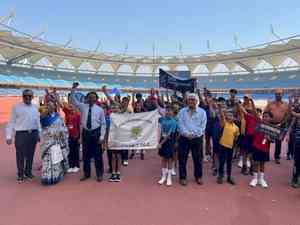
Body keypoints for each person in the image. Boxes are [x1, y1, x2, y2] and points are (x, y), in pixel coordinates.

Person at [70, 83, 106, 182]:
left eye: (93, 97)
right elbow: (73, 101)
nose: (91, 99)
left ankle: (99, 174)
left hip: (96, 133)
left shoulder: (100, 110)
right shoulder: (82, 106)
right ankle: (86, 174)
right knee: (86, 155)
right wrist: (73, 89)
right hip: (86, 133)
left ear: (96, 99)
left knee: (98, 155)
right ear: (87, 98)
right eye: (90, 97)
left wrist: (102, 136)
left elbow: (103, 124)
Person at [6, 89, 40, 183]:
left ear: (32, 97)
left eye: (30, 96)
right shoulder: (16, 107)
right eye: (25, 96)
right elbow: (11, 122)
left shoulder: (35, 107)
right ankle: (20, 174)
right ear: (22, 96)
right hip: (21, 134)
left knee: (30, 154)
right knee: (20, 155)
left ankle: (28, 172)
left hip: (33, 133)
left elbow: (38, 121)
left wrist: (39, 134)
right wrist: (9, 136)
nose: (28, 98)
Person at [177, 93, 207, 186]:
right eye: (190, 99)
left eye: (193, 99)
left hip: (197, 138)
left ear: (197, 101)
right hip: (184, 138)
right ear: (187, 101)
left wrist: (194, 135)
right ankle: (182, 177)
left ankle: (198, 176)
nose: (191, 101)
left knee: (198, 158)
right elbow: (180, 124)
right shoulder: (182, 111)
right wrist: (186, 134)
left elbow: (202, 126)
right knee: (182, 158)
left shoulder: (202, 112)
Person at [39, 102, 69, 185]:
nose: (50, 107)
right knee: (47, 160)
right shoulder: (43, 117)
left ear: (55, 107)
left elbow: (63, 127)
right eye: (48, 106)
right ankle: (47, 178)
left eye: (52, 106)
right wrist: (50, 134)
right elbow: (42, 128)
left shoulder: (58, 116)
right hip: (48, 142)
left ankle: (56, 176)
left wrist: (61, 133)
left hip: (57, 141)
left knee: (56, 159)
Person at [264, 89, 290, 164]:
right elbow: (265, 112)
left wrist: (282, 123)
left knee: (279, 142)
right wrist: (267, 122)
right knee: (267, 140)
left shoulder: (286, 104)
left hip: (281, 124)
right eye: (276, 94)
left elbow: (288, 115)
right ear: (275, 95)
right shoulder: (270, 104)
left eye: (279, 93)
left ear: (282, 94)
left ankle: (277, 157)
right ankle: (266, 155)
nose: (278, 95)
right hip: (270, 124)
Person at [249, 111, 273, 188]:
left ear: (270, 118)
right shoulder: (259, 124)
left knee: (262, 163)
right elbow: (254, 132)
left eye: (267, 116)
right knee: (256, 162)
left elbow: (273, 140)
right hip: (256, 146)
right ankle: (255, 179)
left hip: (265, 148)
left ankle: (261, 179)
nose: (265, 118)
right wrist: (260, 129)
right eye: (264, 116)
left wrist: (269, 138)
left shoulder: (272, 128)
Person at [217, 105, 240, 185]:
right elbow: (222, 116)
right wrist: (220, 109)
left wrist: (234, 144)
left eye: (231, 116)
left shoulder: (236, 127)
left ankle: (229, 177)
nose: (229, 117)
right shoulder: (224, 123)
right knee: (222, 161)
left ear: (234, 118)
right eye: (228, 115)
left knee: (229, 162)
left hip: (231, 146)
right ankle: (220, 176)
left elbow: (236, 136)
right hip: (222, 145)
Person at [157, 105, 178, 186]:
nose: (168, 112)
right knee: (163, 159)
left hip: (169, 141)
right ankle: (163, 177)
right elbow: (160, 130)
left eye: (170, 111)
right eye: (167, 110)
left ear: (173, 112)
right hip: (162, 140)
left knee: (169, 159)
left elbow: (169, 134)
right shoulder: (162, 120)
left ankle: (169, 178)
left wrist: (160, 143)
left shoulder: (174, 122)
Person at [62, 101, 81, 173]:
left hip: (76, 135)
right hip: (68, 135)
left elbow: (80, 126)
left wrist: (80, 137)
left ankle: (76, 166)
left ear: (75, 107)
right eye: (69, 106)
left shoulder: (78, 115)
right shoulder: (67, 113)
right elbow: (62, 105)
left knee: (75, 151)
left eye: (72, 106)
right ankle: (71, 165)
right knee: (69, 151)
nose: (71, 108)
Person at [240, 97, 258, 176]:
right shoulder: (248, 117)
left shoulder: (257, 118)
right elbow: (242, 108)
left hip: (253, 137)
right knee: (245, 153)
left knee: (251, 154)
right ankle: (244, 167)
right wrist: (246, 102)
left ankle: (251, 167)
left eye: (251, 110)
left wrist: (252, 102)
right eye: (249, 111)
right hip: (246, 136)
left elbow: (255, 111)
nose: (251, 111)